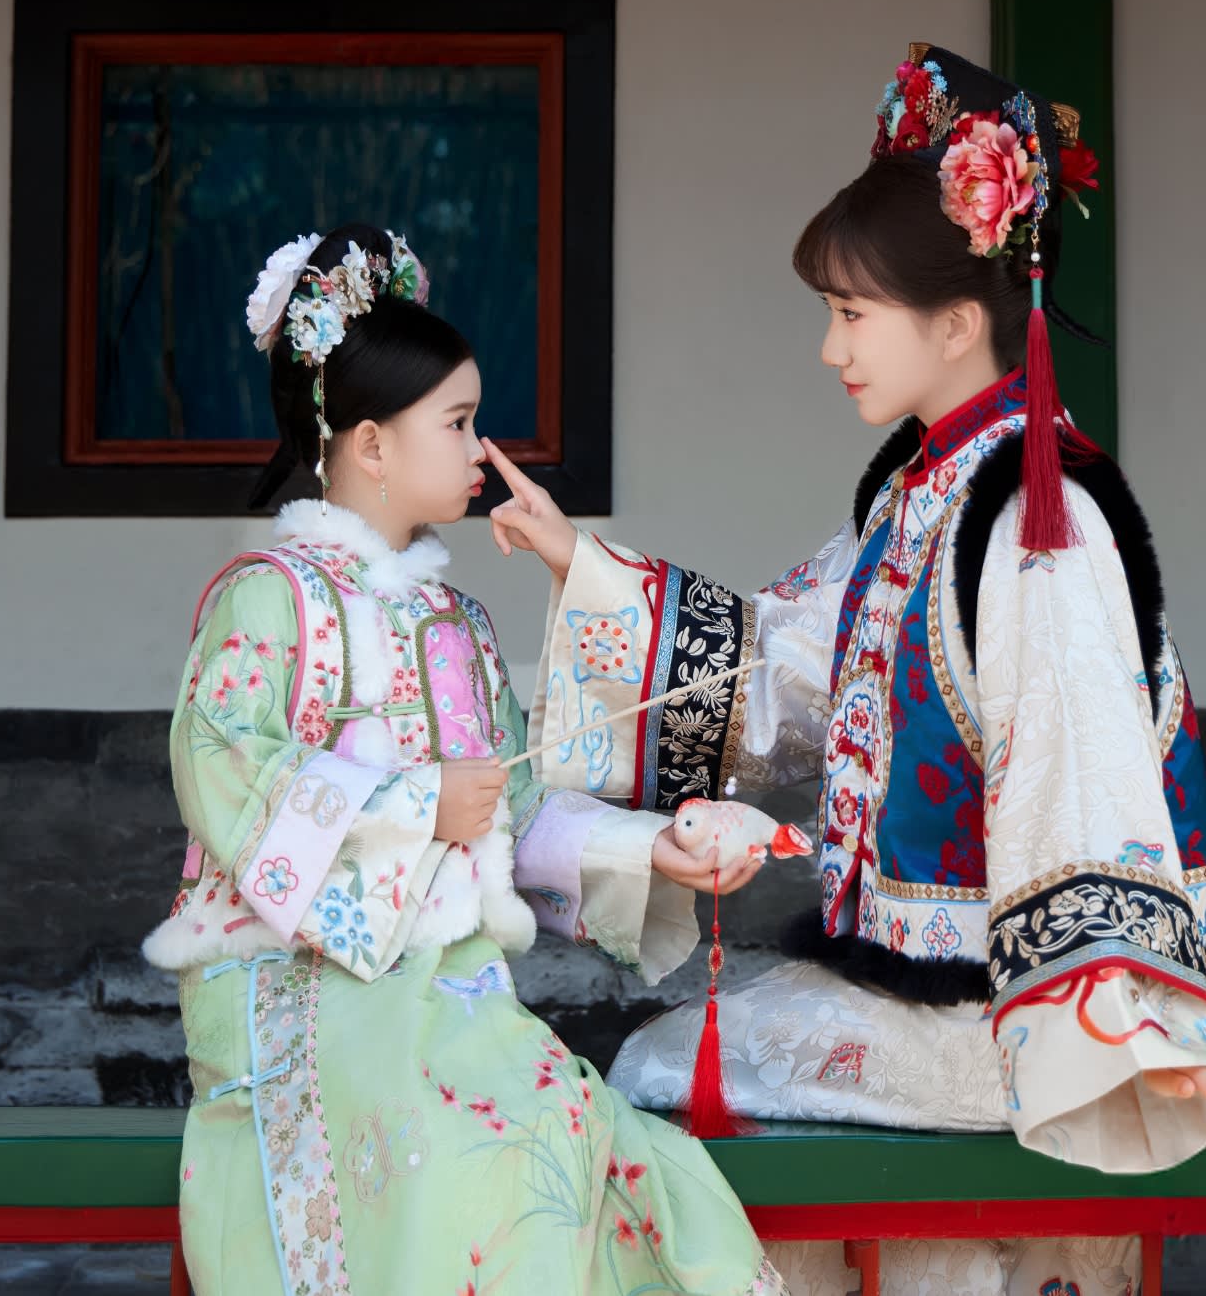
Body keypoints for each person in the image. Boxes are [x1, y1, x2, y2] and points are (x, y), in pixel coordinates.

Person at [485, 48, 1206, 1295]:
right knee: (656, 1074)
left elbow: (1082, 761)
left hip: (1004, 1012)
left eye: (851, 314)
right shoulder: (925, 488)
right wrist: (580, 568)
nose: (829, 348)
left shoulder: (1035, 511)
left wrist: (1140, 1017)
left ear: (955, 322)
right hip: (925, 997)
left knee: (655, 1081)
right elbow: (794, 670)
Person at [146, 225, 779, 1295]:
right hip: (299, 995)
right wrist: (415, 804)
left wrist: (653, 851)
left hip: (446, 999)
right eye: (457, 422)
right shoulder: (267, 600)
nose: (482, 449)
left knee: (586, 1142)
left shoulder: (459, 625)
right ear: (370, 444)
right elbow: (223, 774)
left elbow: (513, 808)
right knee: (487, 1154)